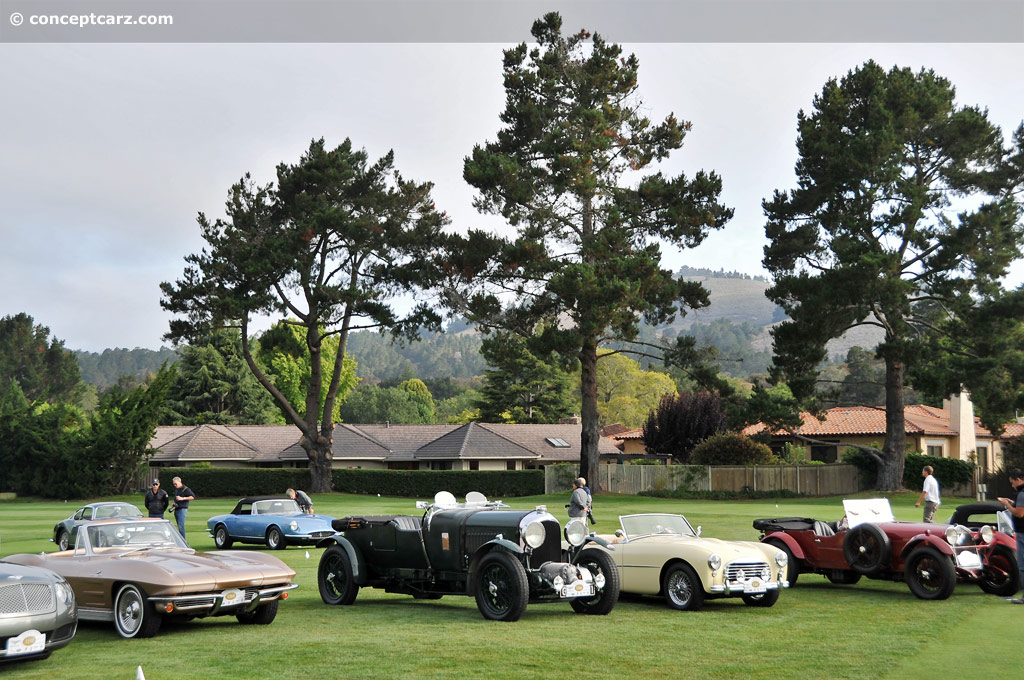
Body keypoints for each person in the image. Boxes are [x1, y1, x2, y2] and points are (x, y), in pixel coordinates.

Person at [997, 468, 1024, 604]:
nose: (1012, 485)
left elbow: (1019, 513)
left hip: (1022, 533)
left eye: (1012, 482)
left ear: (1018, 479)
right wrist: (1012, 503)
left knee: (1022, 565)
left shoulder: (1022, 494)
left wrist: (1006, 504)